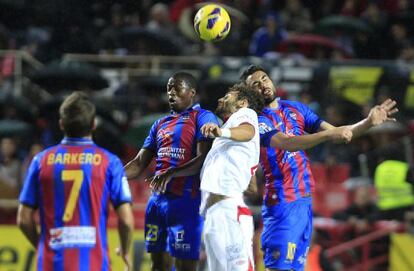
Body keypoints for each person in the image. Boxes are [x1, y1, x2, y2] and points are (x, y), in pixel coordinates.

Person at [241, 65, 398, 271]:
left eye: (264, 78)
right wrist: (326, 136)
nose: (263, 85)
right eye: (255, 84)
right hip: (281, 203)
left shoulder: (295, 108)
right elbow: (287, 142)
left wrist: (368, 122)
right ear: (250, 93)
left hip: (304, 203)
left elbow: (340, 134)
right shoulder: (256, 120)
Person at [17, 91, 134, 270]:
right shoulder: (110, 162)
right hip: (94, 264)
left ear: (61, 124)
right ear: (94, 124)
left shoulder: (40, 161)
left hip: (51, 263)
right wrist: (125, 250)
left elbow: (23, 219)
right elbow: (126, 220)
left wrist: (42, 245)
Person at [124, 72, 219, 271]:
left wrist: (171, 173)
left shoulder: (203, 117)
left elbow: (203, 159)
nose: (171, 93)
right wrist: (110, 177)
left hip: (186, 202)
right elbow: (139, 162)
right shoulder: (159, 124)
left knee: (185, 265)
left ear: (192, 92)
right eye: (169, 89)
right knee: (158, 265)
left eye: (177, 89)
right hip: (157, 202)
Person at [199, 83, 264, 271]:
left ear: (243, 102)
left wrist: (222, 132)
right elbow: (251, 187)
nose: (221, 99)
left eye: (227, 97)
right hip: (214, 214)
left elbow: (247, 131)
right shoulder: (230, 139)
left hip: (228, 211)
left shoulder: (245, 115)